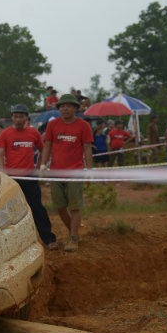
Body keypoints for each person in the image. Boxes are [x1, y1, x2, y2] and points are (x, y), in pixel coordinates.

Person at [0, 104, 58, 250]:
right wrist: (2, 171)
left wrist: (39, 167)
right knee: (11, 211)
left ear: (26, 118)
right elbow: (0, 153)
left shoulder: (33, 133)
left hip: (30, 177)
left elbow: (43, 149)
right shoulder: (5, 134)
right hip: (12, 179)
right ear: (12, 118)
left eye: (21, 116)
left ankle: (49, 239)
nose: (18, 119)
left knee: (37, 208)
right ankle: (13, 243)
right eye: (15, 116)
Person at [39, 93, 93, 253]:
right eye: (62, 106)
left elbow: (87, 149)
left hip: (75, 172)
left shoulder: (83, 126)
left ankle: (74, 238)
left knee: (75, 207)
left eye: (69, 106)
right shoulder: (52, 125)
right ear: (59, 109)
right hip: (55, 172)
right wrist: (43, 164)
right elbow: (47, 145)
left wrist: (89, 170)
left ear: (76, 108)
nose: (65, 108)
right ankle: (73, 233)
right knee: (60, 207)